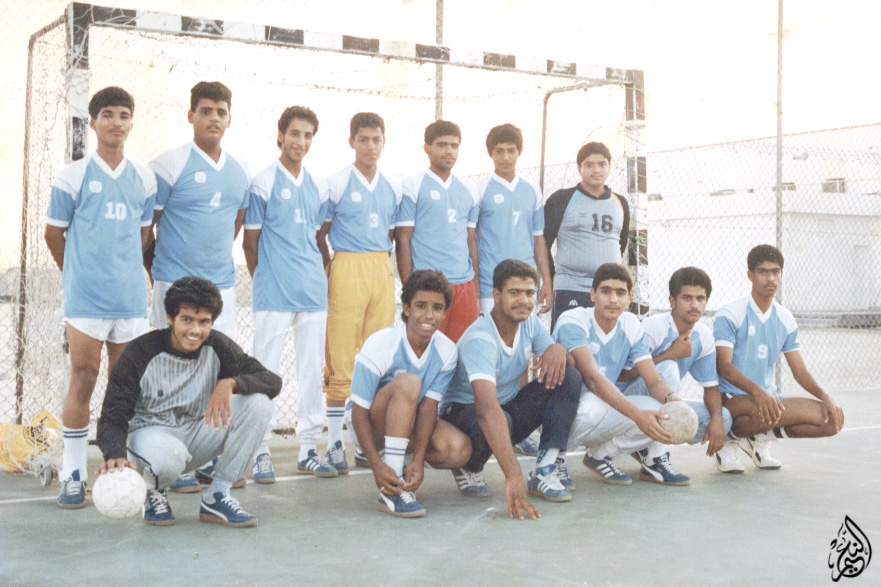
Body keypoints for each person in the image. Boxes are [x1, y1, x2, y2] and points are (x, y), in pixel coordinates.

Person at [44, 86, 157, 509]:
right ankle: (73, 473)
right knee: (84, 377)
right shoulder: (72, 176)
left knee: (126, 385)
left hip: (129, 298)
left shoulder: (144, 178)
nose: (116, 122)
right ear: (93, 123)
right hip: (86, 298)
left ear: (131, 122)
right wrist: (77, 275)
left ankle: (121, 463)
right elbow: (53, 234)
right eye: (107, 114)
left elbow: (143, 235)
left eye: (123, 115)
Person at [95, 276, 279, 527]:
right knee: (171, 456)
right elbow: (112, 415)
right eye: (187, 320)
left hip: (195, 433)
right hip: (149, 440)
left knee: (259, 404)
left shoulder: (218, 346)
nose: (195, 330)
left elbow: (271, 381)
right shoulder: (140, 352)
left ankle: (218, 495)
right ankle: (153, 492)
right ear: (170, 318)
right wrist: (115, 454)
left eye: (204, 322)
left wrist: (231, 383)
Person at [439, 259, 582, 518]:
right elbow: (486, 411)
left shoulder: (530, 323)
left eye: (529, 293)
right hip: (464, 414)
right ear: (496, 296)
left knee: (568, 377)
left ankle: (544, 470)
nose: (524, 300)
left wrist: (558, 349)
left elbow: (565, 364)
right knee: (499, 418)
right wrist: (513, 474)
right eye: (514, 292)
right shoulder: (481, 338)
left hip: (503, 408)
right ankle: (469, 466)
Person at [243, 106, 335, 483]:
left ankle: (309, 449)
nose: (300, 141)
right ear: (280, 135)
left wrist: (315, 276)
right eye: (294, 133)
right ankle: (260, 450)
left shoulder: (319, 186)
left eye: (307, 135)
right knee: (264, 371)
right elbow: (250, 243)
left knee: (312, 371)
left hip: (311, 291)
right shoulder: (262, 183)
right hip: (274, 292)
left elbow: (318, 239)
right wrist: (267, 278)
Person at [555, 263, 690, 487]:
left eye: (620, 293)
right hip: (561, 412)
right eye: (605, 291)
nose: (613, 299)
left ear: (628, 297)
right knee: (595, 405)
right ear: (592, 294)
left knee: (660, 414)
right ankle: (554, 456)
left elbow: (653, 381)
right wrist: (637, 415)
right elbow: (593, 380)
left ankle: (601, 454)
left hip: (601, 406)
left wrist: (674, 401)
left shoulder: (630, 324)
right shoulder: (574, 319)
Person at [318, 112, 402, 474]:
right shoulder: (335, 183)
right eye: (363, 139)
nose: (370, 146)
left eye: (376, 139)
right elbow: (320, 233)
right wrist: (331, 269)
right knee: (340, 358)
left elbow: (394, 234)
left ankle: (367, 441)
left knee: (378, 357)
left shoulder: (393, 186)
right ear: (352, 141)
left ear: (384, 142)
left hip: (381, 268)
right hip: (347, 266)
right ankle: (334, 443)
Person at [713, 245, 844, 471]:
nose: (770, 278)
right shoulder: (731, 313)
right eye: (763, 272)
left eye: (775, 272)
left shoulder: (785, 318)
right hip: (731, 399)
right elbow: (723, 365)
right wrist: (758, 392)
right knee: (758, 409)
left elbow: (799, 371)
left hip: (767, 399)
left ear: (781, 274)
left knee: (830, 421)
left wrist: (825, 396)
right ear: (750, 275)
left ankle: (761, 435)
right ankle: (728, 439)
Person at [347, 271, 458, 518]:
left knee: (457, 448)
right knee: (409, 382)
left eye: (437, 308)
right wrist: (376, 465)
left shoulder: (447, 351)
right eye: (421, 306)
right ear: (406, 308)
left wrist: (418, 459)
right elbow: (358, 412)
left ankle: (402, 465)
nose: (429, 315)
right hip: (369, 425)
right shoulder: (380, 343)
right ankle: (393, 487)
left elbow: (428, 409)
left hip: (407, 421)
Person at [148, 81, 249, 341]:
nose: (214, 118)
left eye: (221, 112)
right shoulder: (168, 164)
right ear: (190, 115)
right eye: (206, 111)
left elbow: (233, 226)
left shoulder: (241, 169)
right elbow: (145, 229)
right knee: (171, 361)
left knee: (219, 360)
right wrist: (158, 275)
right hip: (174, 284)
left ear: (229, 120)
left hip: (221, 286)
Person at [475, 123, 553, 457]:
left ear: (520, 152)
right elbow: (472, 240)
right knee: (493, 355)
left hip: (525, 288)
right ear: (490, 154)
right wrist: (477, 284)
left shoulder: (532, 190)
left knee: (522, 356)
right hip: (491, 287)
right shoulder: (480, 190)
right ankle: (491, 423)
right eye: (499, 151)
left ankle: (518, 427)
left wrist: (546, 282)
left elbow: (539, 240)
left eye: (511, 150)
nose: (505, 157)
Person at [617, 267, 732, 462]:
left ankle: (642, 446)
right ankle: (655, 456)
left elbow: (711, 388)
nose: (694, 305)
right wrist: (670, 354)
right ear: (672, 301)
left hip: (663, 404)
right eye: (687, 298)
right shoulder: (654, 327)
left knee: (724, 416)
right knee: (668, 367)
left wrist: (717, 420)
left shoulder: (703, 336)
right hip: (626, 404)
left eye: (700, 298)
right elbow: (622, 375)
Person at [395, 120, 480, 343]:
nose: (449, 151)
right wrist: (409, 287)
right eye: (442, 145)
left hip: (464, 285)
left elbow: (470, 241)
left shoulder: (470, 190)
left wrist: (476, 288)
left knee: (463, 351)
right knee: (427, 349)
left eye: (454, 145)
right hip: (428, 284)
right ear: (427, 148)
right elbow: (403, 239)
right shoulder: (412, 185)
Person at [543, 142, 630, 329]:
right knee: (567, 342)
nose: (596, 170)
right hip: (570, 286)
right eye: (589, 164)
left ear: (609, 166)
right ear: (579, 168)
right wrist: (548, 282)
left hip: (607, 290)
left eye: (602, 164)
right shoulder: (562, 199)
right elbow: (543, 243)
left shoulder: (620, 202)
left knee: (604, 341)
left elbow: (620, 243)